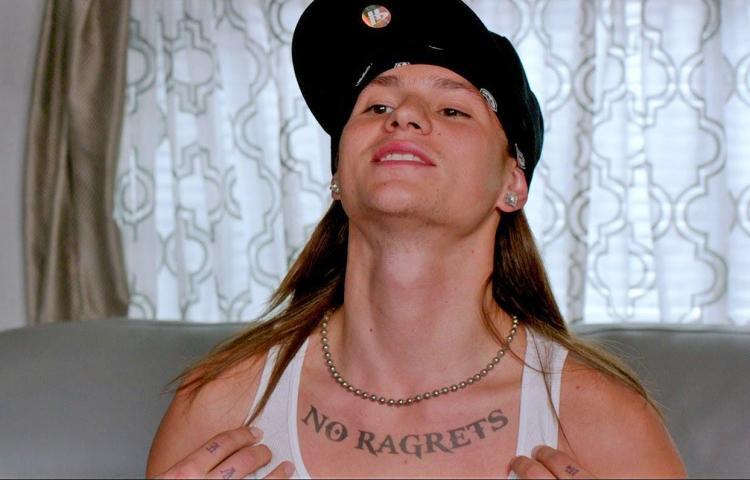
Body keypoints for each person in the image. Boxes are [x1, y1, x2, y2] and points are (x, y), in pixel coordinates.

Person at [146, 0, 686, 478]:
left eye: (452, 109)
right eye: (376, 107)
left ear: (512, 183)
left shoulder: (604, 422)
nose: (403, 114)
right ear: (338, 175)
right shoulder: (218, 407)